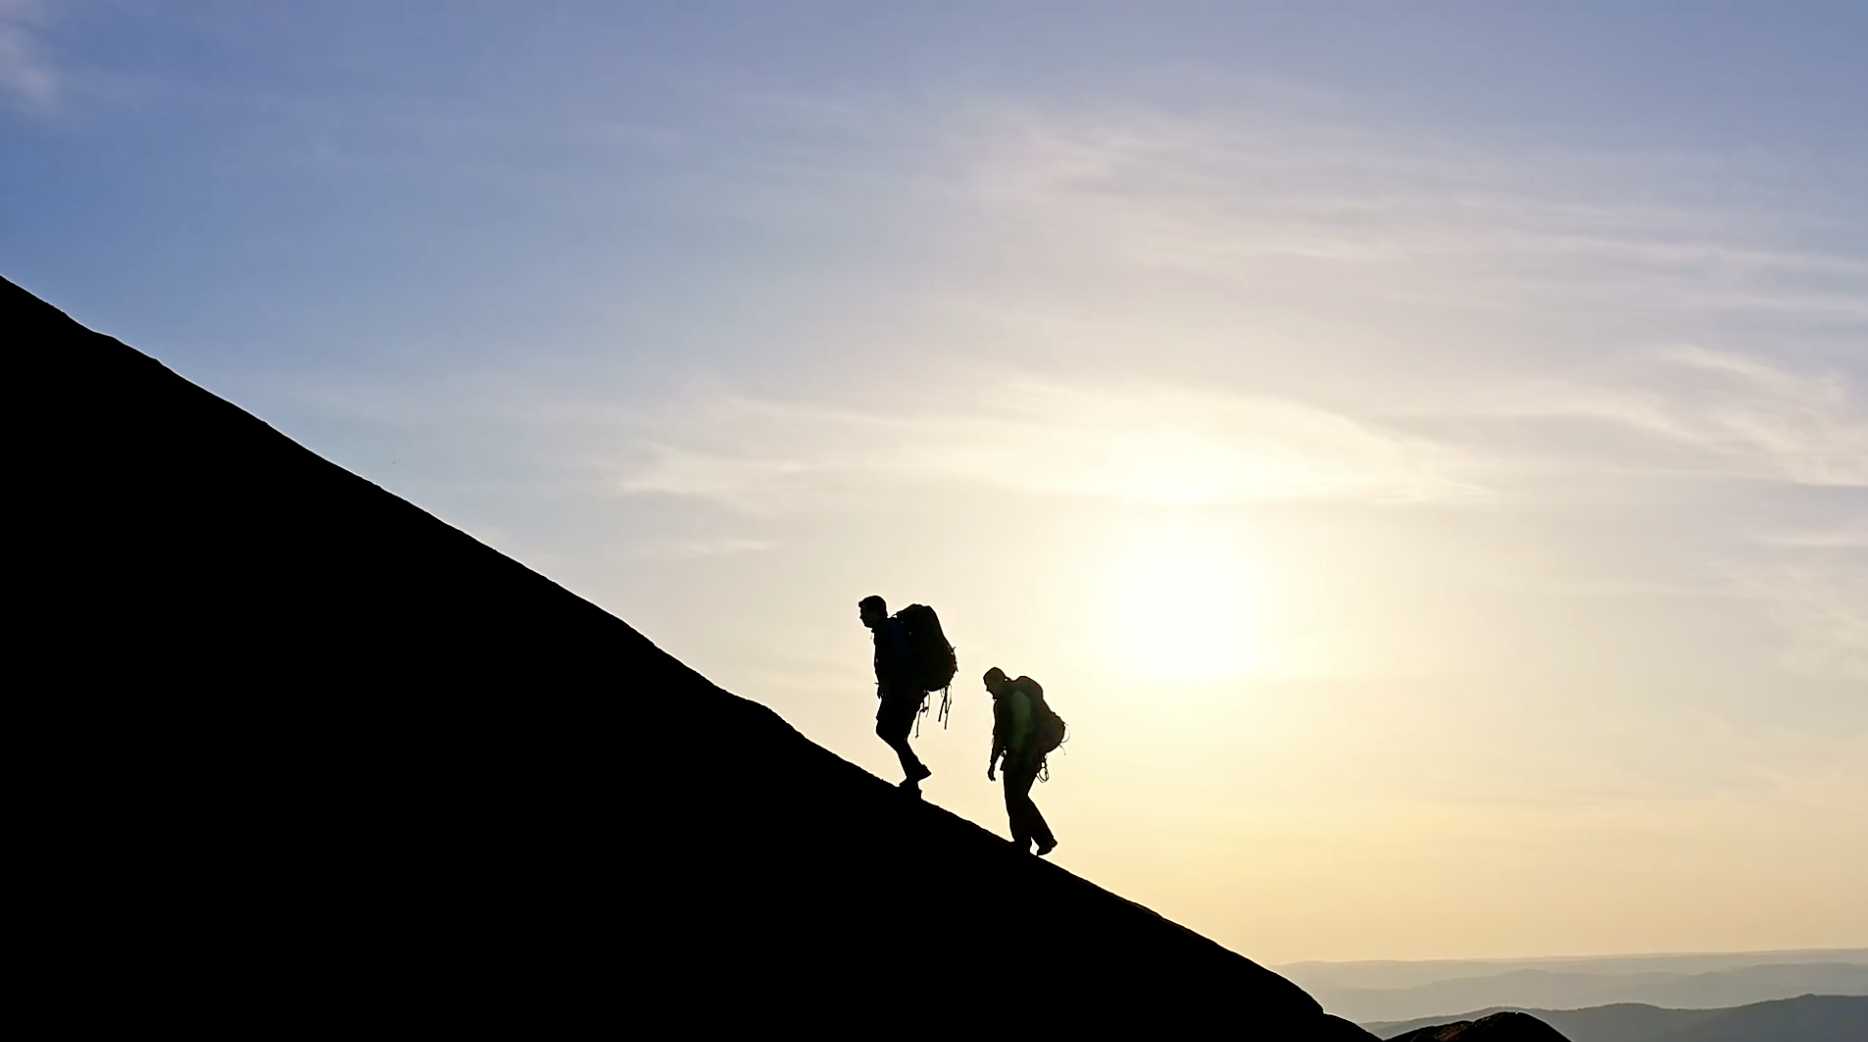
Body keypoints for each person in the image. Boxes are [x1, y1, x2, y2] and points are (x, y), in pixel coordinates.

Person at [860, 595, 932, 792]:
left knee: (886, 730)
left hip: (903, 692)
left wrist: (888, 684)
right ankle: (914, 780)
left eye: (864, 612)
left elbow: (898, 659)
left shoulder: (887, 630)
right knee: (895, 734)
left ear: (875, 612)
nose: (861, 617)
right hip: (909, 691)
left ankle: (915, 772)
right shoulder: (889, 629)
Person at [984, 667, 1057, 856]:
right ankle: (1027, 841)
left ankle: (1040, 840)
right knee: (1014, 799)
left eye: (989, 685)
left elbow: (1021, 726)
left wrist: (1015, 754)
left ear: (998, 681)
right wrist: (992, 763)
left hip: (1027, 755)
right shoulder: (1001, 704)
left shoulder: (1016, 697)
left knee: (1017, 798)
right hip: (1018, 756)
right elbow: (999, 735)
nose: (988, 690)